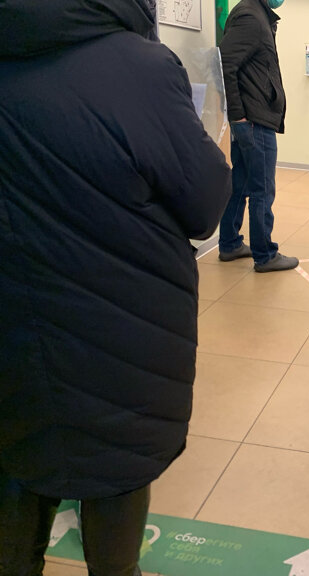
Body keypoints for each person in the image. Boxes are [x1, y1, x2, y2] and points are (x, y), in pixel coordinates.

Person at [0, 1, 231, 574]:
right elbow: (204, 204)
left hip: (16, 333)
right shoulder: (141, 67)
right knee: (116, 470)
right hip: (121, 335)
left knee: (21, 459)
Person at [217, 0, 299, 272]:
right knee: (262, 188)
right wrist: (238, 114)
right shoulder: (251, 17)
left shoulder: (254, 13)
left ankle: (230, 244)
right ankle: (265, 255)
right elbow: (225, 63)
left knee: (241, 182)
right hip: (254, 120)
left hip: (251, 118)